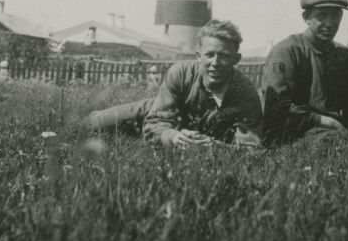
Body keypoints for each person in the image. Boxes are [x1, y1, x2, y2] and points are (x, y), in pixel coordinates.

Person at [80, 19, 263, 147]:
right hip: (159, 109)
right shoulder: (180, 73)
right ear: (198, 56)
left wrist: (213, 146)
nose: (215, 62)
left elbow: (251, 148)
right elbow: (155, 122)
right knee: (93, 123)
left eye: (224, 56)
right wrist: (173, 137)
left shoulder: (246, 93)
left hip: (202, 133)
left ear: (236, 59)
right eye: (209, 55)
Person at [262, 0, 348, 145]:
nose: (330, 23)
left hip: (333, 133)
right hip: (295, 133)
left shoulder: (342, 54)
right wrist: (326, 121)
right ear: (306, 18)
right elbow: (277, 108)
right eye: (322, 16)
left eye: (336, 16)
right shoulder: (287, 51)